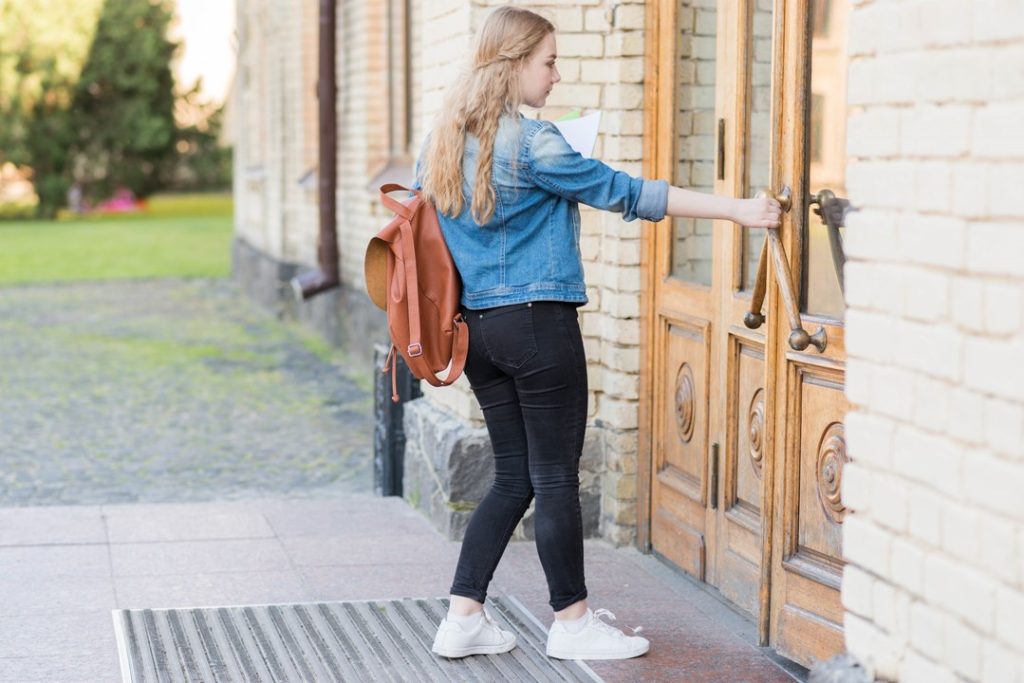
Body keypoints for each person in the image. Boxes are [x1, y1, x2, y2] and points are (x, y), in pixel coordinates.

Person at [416, 6, 782, 661]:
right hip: (536, 327)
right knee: (554, 475)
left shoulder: (441, 141)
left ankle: (462, 616)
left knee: (513, 477)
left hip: (475, 335)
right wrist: (739, 210)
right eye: (548, 61)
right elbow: (626, 192)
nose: (557, 75)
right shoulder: (534, 143)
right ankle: (574, 621)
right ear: (513, 64)